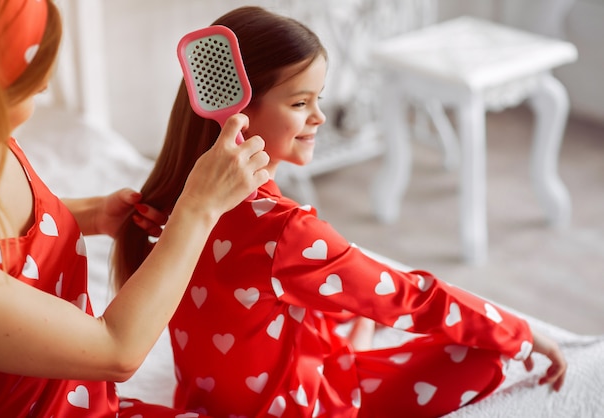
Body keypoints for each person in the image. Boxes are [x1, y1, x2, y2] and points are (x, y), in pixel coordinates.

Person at [113, 6, 567, 418]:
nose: (319, 118)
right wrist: (519, 331)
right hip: (298, 406)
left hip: (206, 398)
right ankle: (359, 338)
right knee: (486, 354)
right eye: (299, 103)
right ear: (238, 112)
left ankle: (357, 334)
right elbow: (412, 297)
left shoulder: (178, 208)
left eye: (319, 99)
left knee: (330, 305)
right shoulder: (284, 230)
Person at [0, 0, 269, 417]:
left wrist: (90, 215)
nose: (45, 87)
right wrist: (198, 209)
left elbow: (4, 243)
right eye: (31, 74)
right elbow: (117, 350)